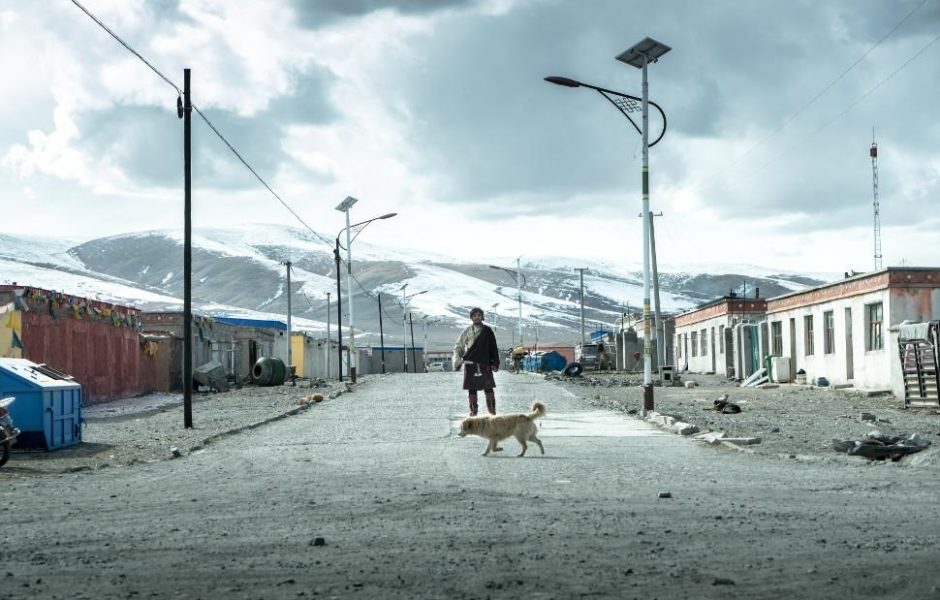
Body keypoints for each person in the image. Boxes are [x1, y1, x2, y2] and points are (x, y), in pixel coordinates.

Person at [453, 307, 500, 416]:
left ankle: (492, 412)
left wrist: (495, 363)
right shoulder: (467, 331)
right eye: (474, 315)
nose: (477, 317)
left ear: (482, 317)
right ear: (471, 318)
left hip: (485, 363)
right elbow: (459, 346)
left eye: (479, 315)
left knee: (488, 388)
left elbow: (493, 347)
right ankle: (473, 411)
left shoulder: (487, 331)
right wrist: (457, 360)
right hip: (470, 364)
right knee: (471, 389)